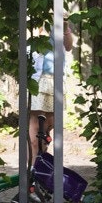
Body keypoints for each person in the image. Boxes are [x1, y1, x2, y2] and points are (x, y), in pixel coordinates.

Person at [25, 23, 75, 172]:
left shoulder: (57, 22)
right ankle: (32, 171)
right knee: (35, 131)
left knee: (47, 128)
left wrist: (64, 27)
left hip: (55, 80)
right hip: (36, 79)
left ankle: (40, 170)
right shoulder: (33, 19)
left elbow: (68, 46)